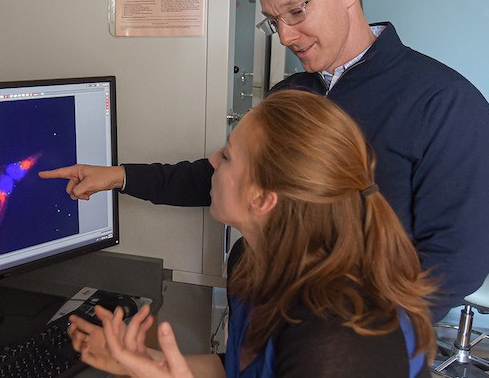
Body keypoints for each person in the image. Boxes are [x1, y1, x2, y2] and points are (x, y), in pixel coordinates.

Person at [39, 0, 489, 322]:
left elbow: (455, 264)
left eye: (297, 12)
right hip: (261, 322)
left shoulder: (446, 103)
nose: (286, 36)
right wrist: (117, 176)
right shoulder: (292, 92)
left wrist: (359, 341)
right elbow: (220, 178)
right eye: (274, 21)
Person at [66, 90, 437, 377]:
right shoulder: (252, 261)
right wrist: (145, 361)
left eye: (226, 156)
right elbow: (237, 370)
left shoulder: (337, 341)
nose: (211, 162)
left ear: (262, 198)